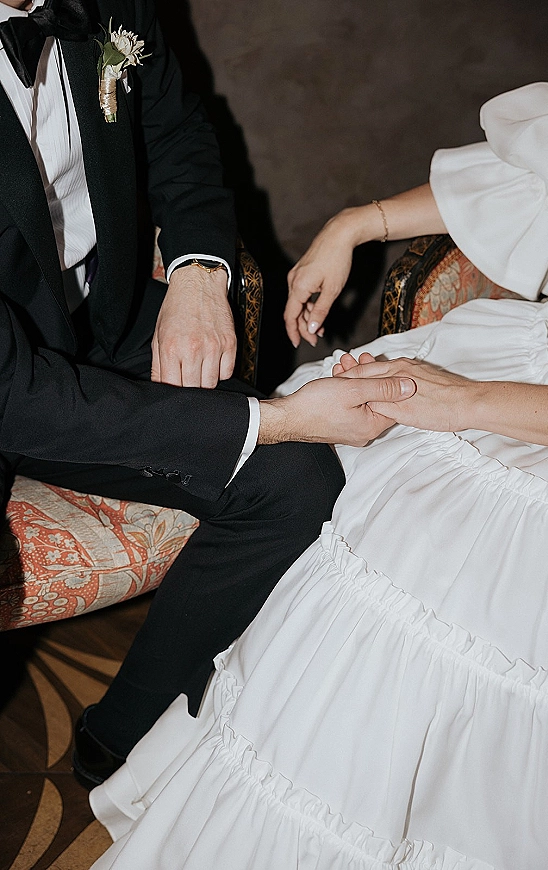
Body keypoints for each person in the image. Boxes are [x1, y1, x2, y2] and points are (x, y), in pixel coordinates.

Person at [88, 71, 548, 869]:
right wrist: (360, 223)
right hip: (543, 355)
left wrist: (469, 402)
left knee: (425, 555)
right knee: (339, 466)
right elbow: (547, 171)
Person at [0, 0, 414, 790]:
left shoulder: (113, 4)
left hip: (108, 318)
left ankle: (118, 739)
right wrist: (278, 415)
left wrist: (197, 268)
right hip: (8, 386)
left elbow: (181, 137)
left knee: (300, 481)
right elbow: (13, 394)